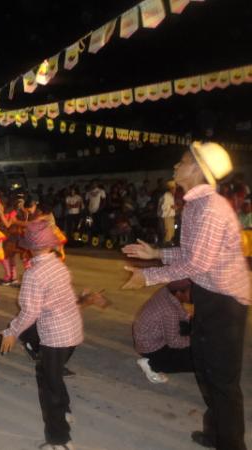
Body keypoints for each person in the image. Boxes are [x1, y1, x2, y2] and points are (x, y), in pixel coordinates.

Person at [122, 142, 250, 450]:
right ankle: (216, 433)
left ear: (197, 169)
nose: (175, 167)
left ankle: (231, 444)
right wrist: (156, 253)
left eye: (181, 162)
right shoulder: (195, 204)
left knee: (222, 379)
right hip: (209, 294)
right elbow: (192, 254)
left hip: (227, 302)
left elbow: (196, 263)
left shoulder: (210, 208)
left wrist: (148, 276)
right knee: (204, 368)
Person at [0, 220, 83, 450]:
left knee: (49, 386)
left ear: (28, 247)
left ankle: (60, 441)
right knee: (52, 376)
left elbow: (30, 312)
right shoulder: (59, 265)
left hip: (55, 336)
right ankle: (64, 412)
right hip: (72, 330)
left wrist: (11, 332)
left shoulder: (34, 274)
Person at [133, 279, 193, 384]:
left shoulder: (166, 291)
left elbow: (181, 312)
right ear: (179, 293)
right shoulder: (170, 312)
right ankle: (152, 364)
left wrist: (191, 321)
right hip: (153, 350)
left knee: (193, 329)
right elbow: (174, 342)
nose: (195, 295)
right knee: (199, 360)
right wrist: (196, 340)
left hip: (148, 337)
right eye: (192, 292)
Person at [158, 180, 176, 246]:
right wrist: (171, 206)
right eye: (174, 189)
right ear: (171, 189)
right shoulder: (166, 196)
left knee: (171, 231)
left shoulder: (171, 196)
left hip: (171, 217)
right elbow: (163, 207)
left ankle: (168, 243)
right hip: (167, 216)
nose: (175, 191)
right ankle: (166, 244)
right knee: (168, 231)